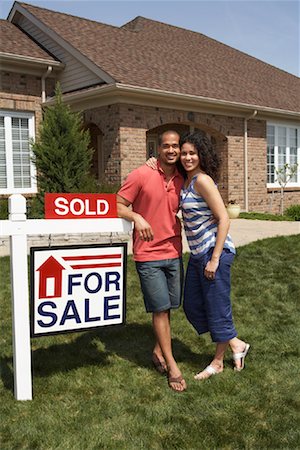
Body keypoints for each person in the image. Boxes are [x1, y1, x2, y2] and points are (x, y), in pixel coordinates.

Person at [117, 130, 187, 392]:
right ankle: (172, 365)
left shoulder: (183, 176)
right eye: (166, 146)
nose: (171, 150)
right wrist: (137, 217)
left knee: (169, 306)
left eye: (175, 146)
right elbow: (117, 203)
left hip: (174, 251)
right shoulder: (141, 174)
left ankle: (158, 350)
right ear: (158, 149)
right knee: (160, 308)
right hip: (148, 255)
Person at [179, 131, 250, 379]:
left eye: (192, 153)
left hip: (213, 251)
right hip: (198, 253)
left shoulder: (202, 181)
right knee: (192, 306)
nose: (187, 157)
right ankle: (236, 343)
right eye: (184, 153)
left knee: (217, 307)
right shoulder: (185, 181)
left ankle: (217, 362)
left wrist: (215, 258)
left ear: (201, 155)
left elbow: (224, 219)